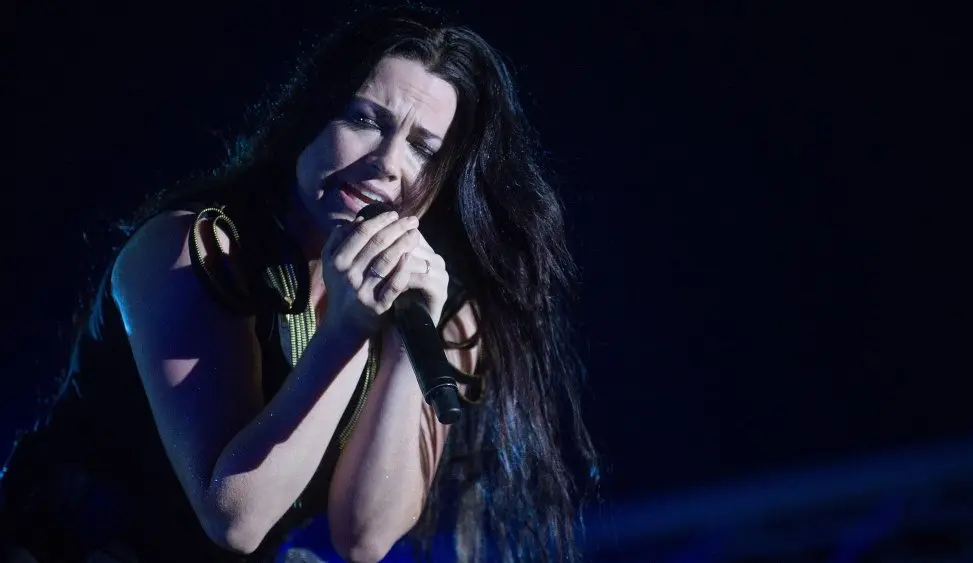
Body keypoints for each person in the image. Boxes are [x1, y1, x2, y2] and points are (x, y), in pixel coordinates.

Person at [0, 3, 598, 562]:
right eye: (366, 119)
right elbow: (235, 518)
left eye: (422, 147)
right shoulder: (193, 251)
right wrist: (348, 327)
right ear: (311, 114)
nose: (387, 162)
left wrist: (400, 349)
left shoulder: (443, 311)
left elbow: (363, 536)